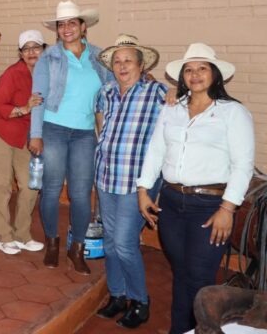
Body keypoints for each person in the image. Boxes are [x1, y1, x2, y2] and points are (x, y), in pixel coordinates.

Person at [137, 43, 254, 334]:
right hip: (172, 203)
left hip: (210, 208)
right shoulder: (172, 109)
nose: (195, 74)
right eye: (189, 69)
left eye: (202, 68)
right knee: (181, 275)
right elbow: (156, 150)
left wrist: (228, 208)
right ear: (182, 76)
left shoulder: (232, 113)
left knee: (200, 280)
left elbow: (243, 165)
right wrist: (142, 190)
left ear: (214, 74)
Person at [29, 0, 113, 275]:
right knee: (51, 190)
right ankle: (52, 244)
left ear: (83, 26)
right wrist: (36, 134)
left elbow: (119, 85)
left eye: (72, 23)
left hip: (85, 133)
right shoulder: (48, 58)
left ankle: (76, 248)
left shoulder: (99, 58)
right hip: (53, 128)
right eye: (61, 24)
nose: (66, 28)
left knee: (80, 194)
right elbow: (38, 98)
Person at [92, 34, 167, 328]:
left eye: (128, 61)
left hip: (137, 183)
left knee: (124, 243)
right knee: (110, 242)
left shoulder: (158, 93)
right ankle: (118, 295)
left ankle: (140, 301)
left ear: (141, 65)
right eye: (117, 61)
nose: (122, 66)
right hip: (107, 177)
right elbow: (101, 128)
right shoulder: (106, 92)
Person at [0, 30, 45, 255]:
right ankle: (3, 236)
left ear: (43, 49)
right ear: (20, 53)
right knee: (2, 183)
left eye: (35, 47)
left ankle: (22, 234)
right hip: (0, 131)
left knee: (30, 185)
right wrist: (24, 108)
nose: (31, 52)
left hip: (25, 136)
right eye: (26, 49)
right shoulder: (12, 74)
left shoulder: (46, 73)